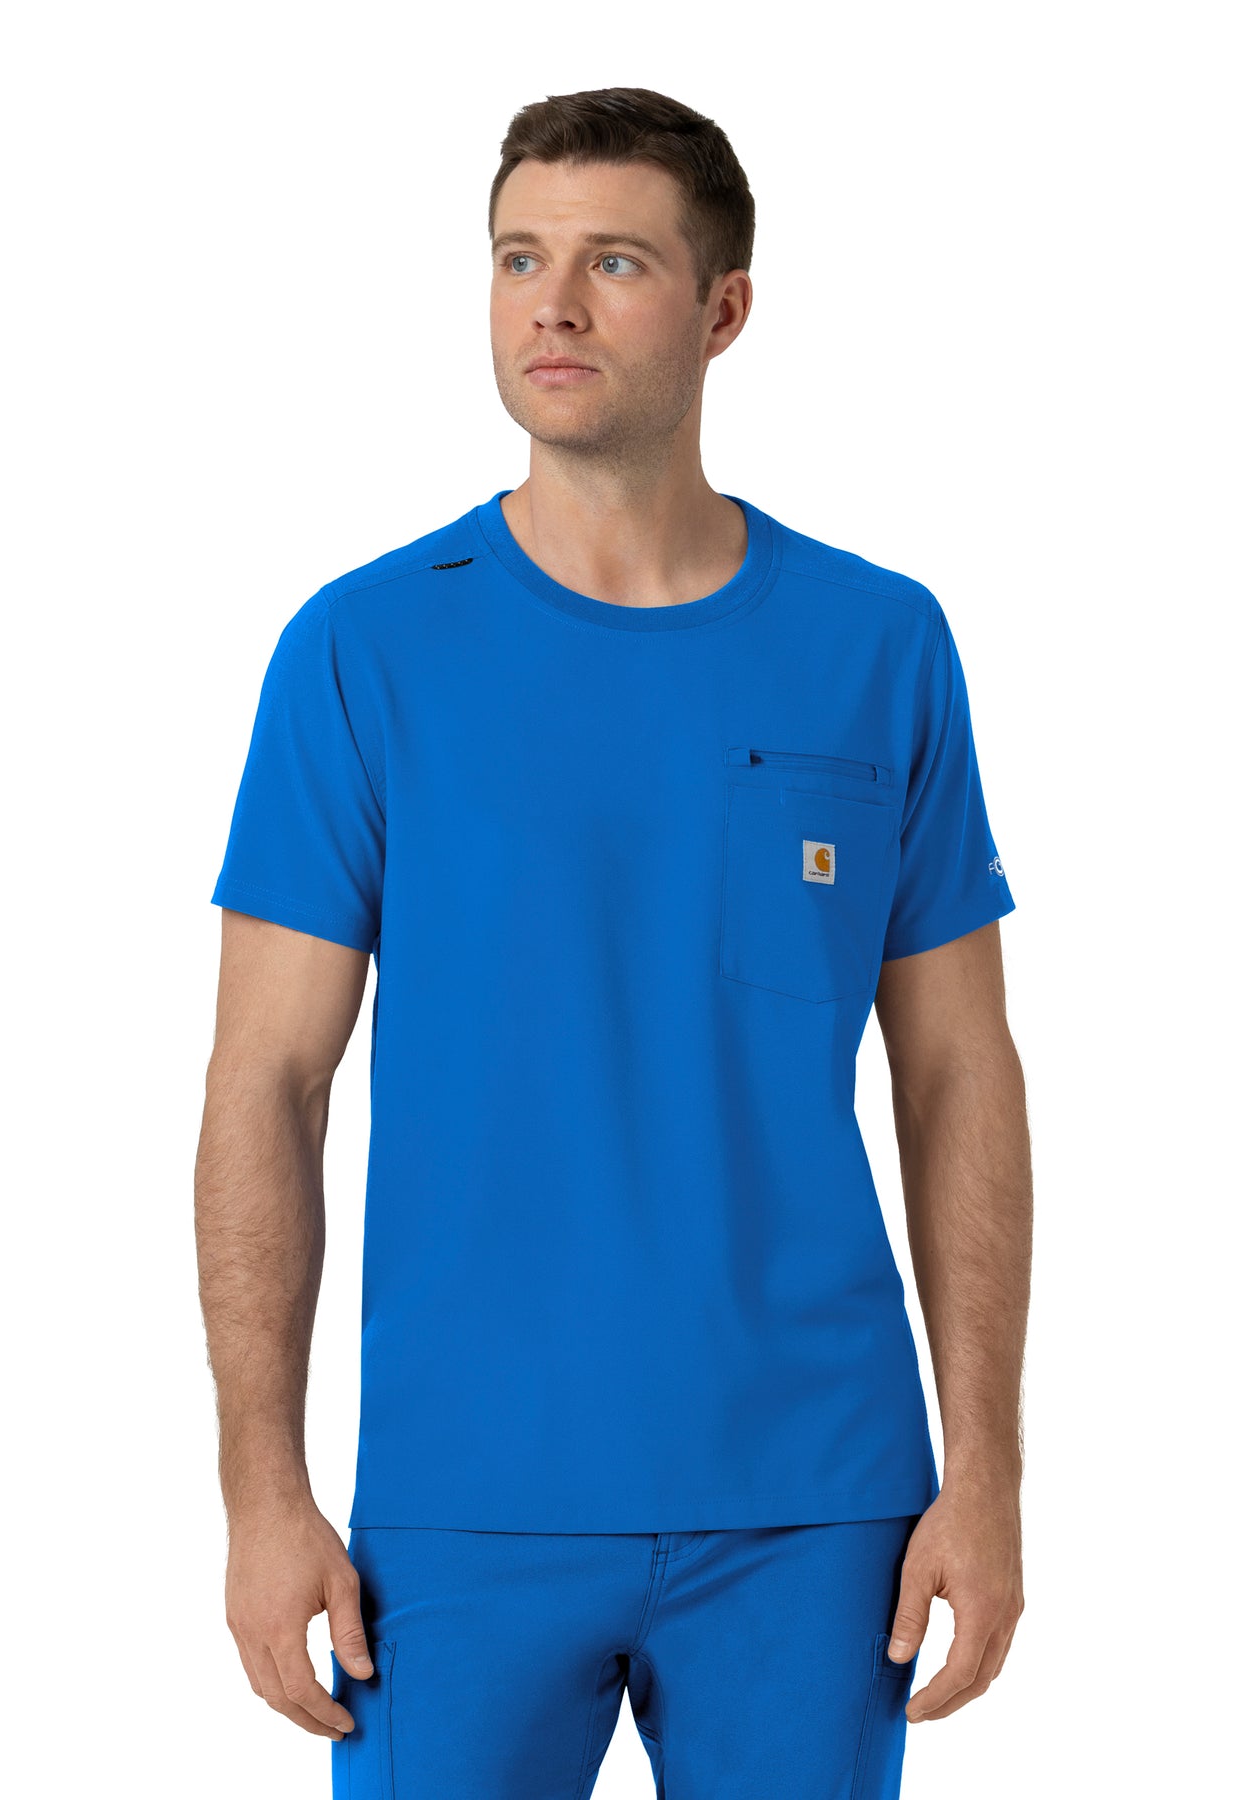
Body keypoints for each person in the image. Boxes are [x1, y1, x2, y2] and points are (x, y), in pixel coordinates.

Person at [194, 85, 1032, 1799]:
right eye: (520, 259)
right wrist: (261, 1492)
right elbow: (266, 1082)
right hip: (459, 1506)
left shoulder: (879, 645)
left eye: (615, 262)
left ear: (725, 309)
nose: (552, 305)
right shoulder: (362, 651)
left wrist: (991, 1473)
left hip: (818, 1505)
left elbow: (959, 1071)